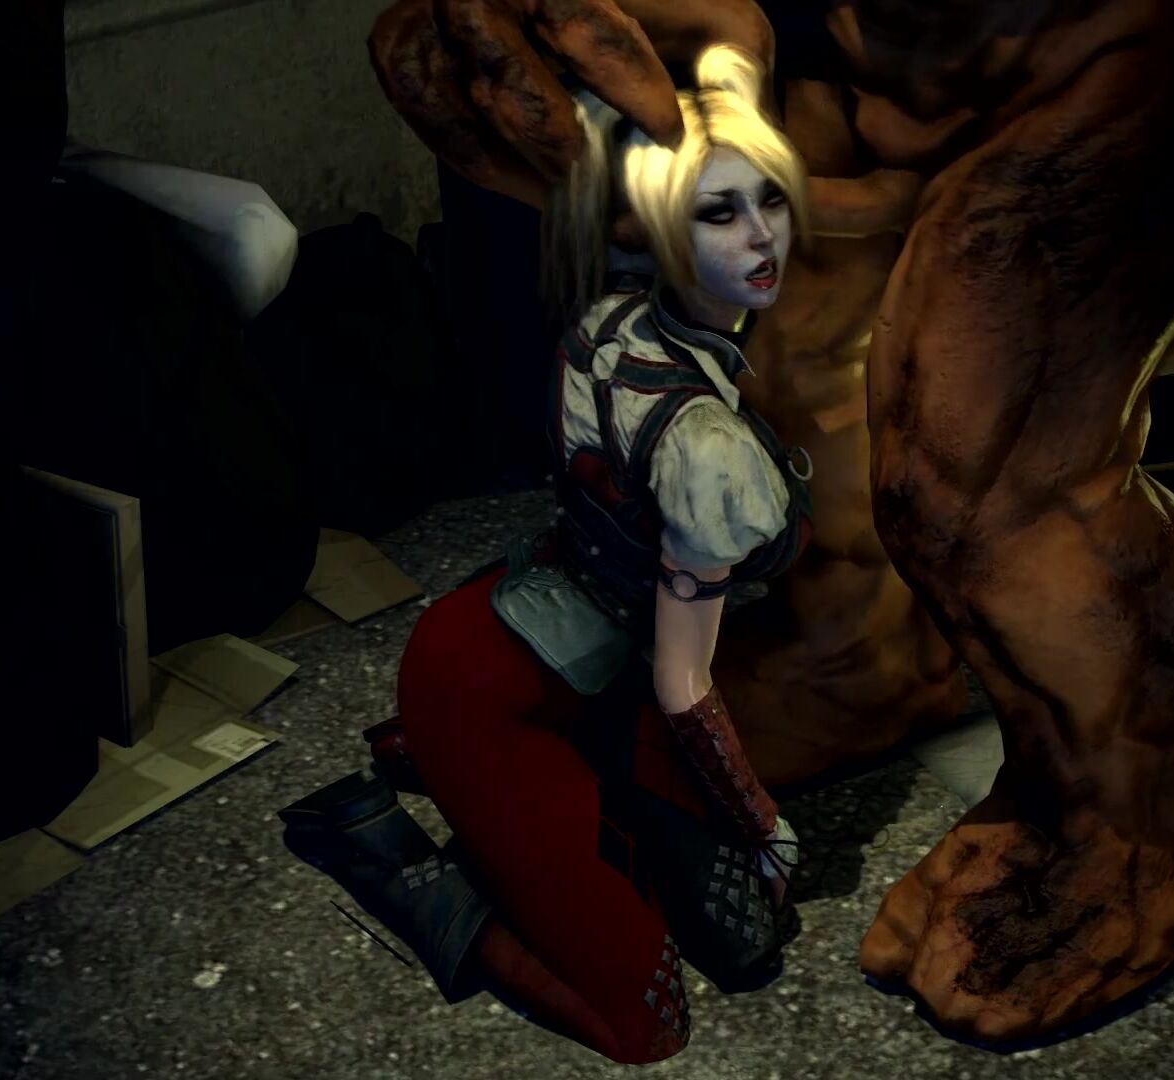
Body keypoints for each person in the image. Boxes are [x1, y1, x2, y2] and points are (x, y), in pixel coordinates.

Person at [281, 43, 813, 1065]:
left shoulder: (612, 324)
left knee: (745, 941)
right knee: (646, 1023)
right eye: (719, 213)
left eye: (770, 201)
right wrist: (760, 822)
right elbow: (684, 679)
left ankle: (488, 789)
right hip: (491, 685)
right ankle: (389, 855)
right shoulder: (707, 446)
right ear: (656, 227)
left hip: (584, 661)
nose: (761, 237)